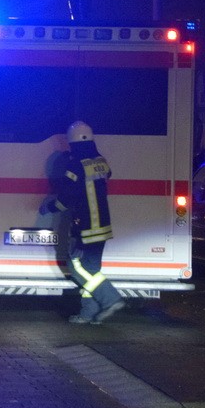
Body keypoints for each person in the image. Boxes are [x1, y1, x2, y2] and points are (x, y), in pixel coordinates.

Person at [41, 121, 126, 325]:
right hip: (103, 225)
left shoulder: (75, 164)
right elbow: (106, 175)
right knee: (92, 271)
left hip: (86, 225)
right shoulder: (100, 161)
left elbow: (67, 197)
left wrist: (50, 207)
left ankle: (110, 299)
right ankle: (90, 313)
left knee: (76, 266)